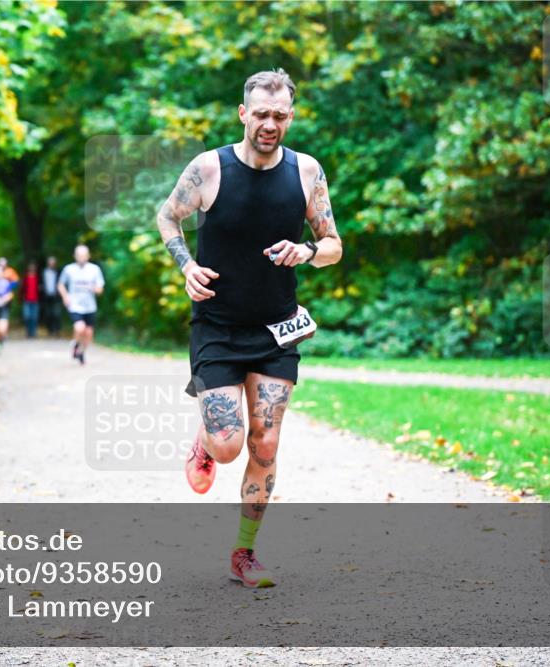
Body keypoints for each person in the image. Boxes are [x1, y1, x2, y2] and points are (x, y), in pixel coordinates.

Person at [155, 69, 342, 588]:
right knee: (229, 444)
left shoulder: (307, 173)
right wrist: (186, 265)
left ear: (291, 117)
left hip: (278, 329)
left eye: (279, 116)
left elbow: (333, 244)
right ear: (244, 114)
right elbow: (168, 218)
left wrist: (306, 250)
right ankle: (206, 439)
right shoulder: (209, 169)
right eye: (260, 114)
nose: (269, 124)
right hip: (217, 326)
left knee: (265, 444)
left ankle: (244, 553)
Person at [57, 245, 105, 365]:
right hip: (75, 305)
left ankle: (81, 352)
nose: (81, 257)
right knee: (79, 327)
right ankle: (75, 344)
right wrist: (65, 296)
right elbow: (60, 284)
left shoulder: (95, 269)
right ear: (75, 256)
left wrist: (93, 288)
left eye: (83, 255)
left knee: (88, 333)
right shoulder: (69, 269)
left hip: (90, 306)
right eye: (79, 255)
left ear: (88, 256)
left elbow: (100, 289)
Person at [41, 256, 61, 336]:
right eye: (50, 262)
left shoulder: (58, 272)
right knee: (48, 314)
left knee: (56, 314)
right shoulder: (44, 272)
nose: (52, 264)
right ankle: (50, 330)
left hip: (56, 296)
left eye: (53, 262)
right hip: (47, 297)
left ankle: (57, 330)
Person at [21, 261, 41, 338]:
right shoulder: (25, 277)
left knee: (34, 317)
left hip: (35, 300)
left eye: (33, 267)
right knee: (27, 316)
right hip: (27, 300)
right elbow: (22, 288)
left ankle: (33, 333)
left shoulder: (38, 278)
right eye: (31, 267)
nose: (32, 269)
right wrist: (21, 296)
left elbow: (40, 288)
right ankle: (28, 332)